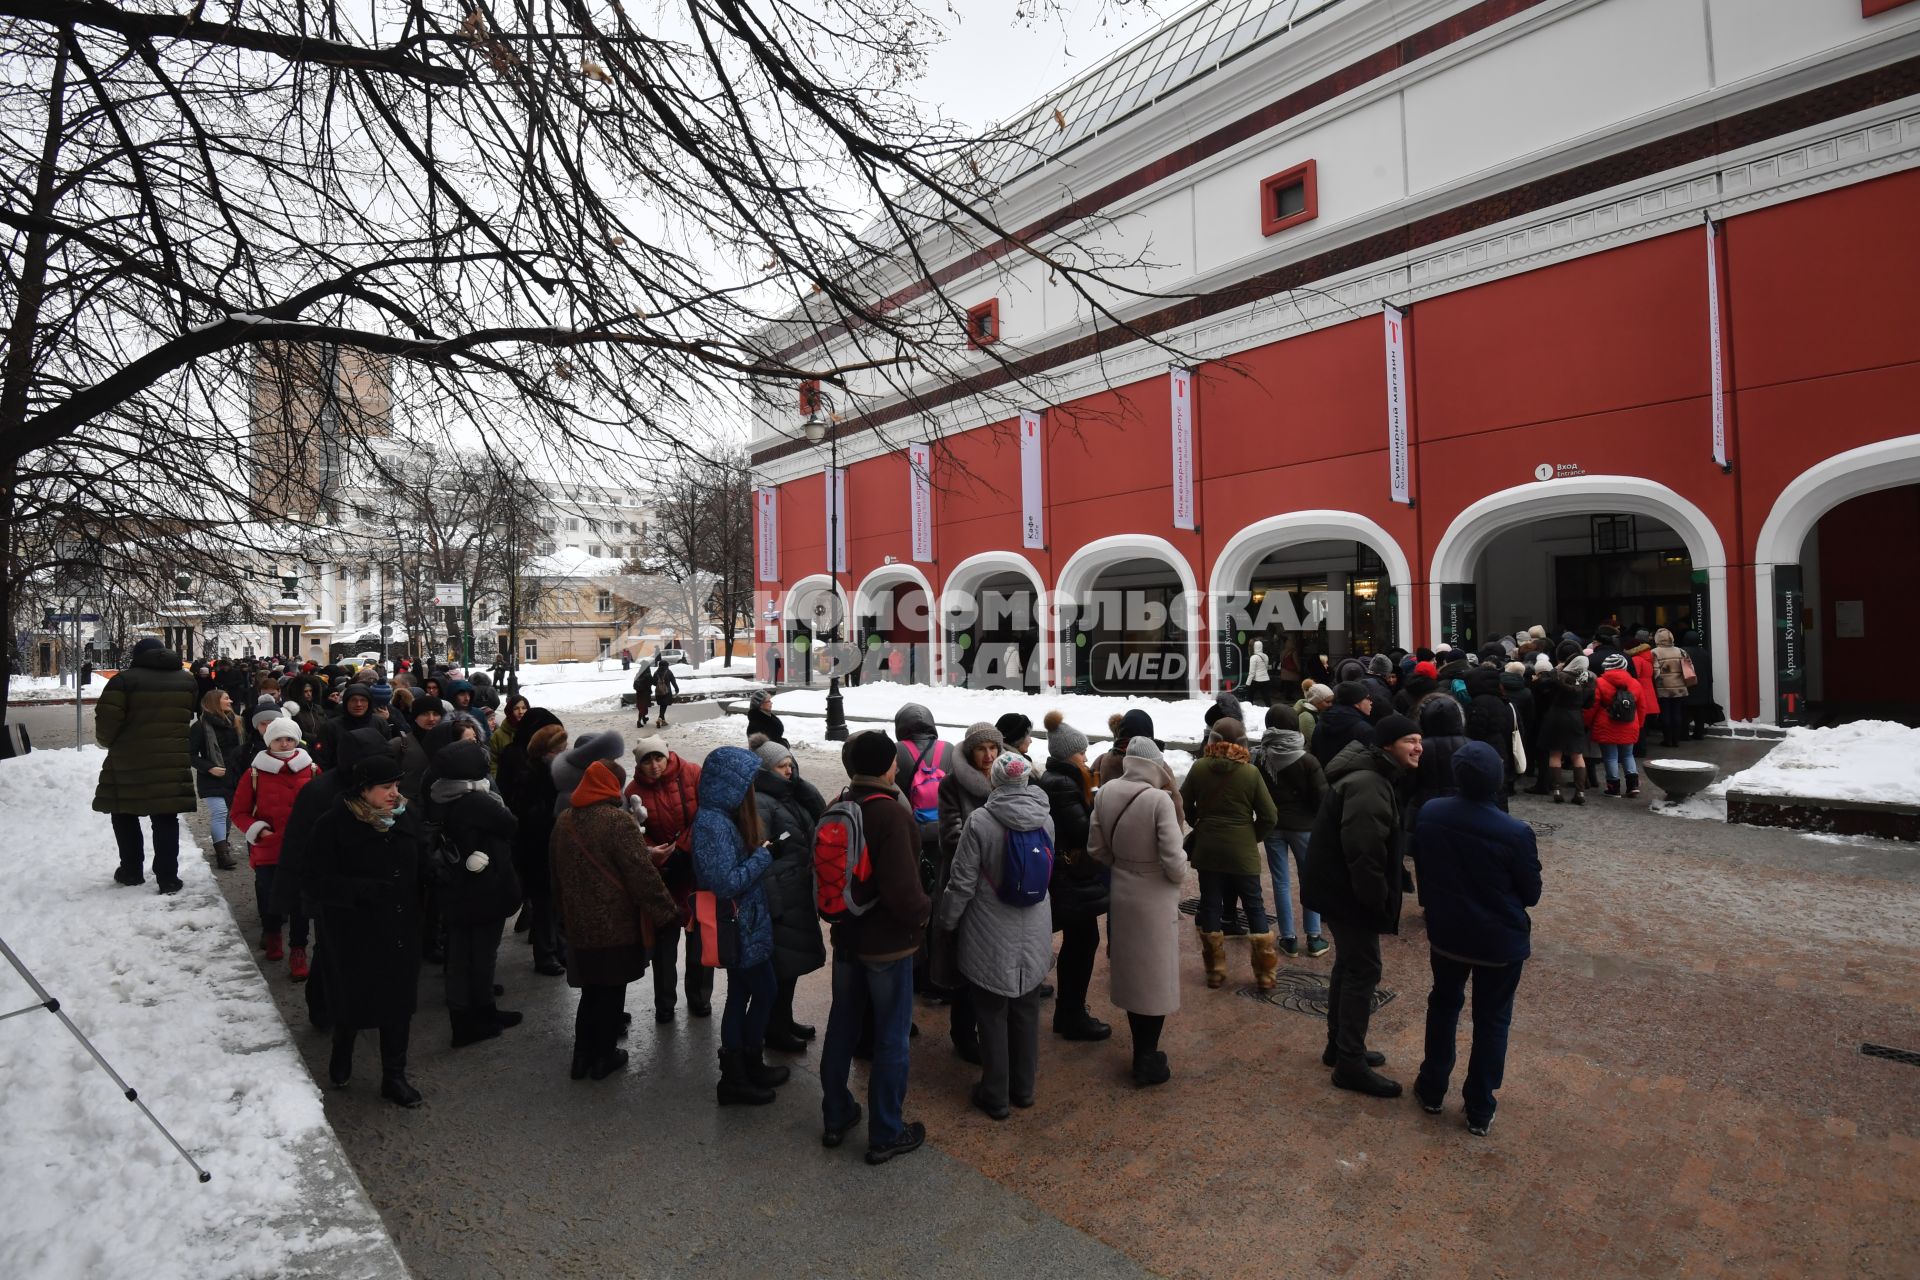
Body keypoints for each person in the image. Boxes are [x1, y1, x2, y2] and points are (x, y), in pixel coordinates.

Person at [1411, 742, 1542, 1137]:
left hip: (1448, 933)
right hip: (1498, 942)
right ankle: (1479, 1105)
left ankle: (1433, 1087)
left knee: (1444, 1005)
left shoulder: (1431, 813)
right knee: (1492, 1019)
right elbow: (1531, 893)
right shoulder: (1515, 832)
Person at [819, 730, 931, 1165]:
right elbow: (904, 892)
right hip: (887, 946)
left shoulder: (838, 806)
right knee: (891, 1036)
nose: (898, 767)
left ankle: (836, 1115)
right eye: (894, 762)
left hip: (846, 937)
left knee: (842, 1026)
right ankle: (886, 1132)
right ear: (887, 766)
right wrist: (925, 911)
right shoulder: (890, 814)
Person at [1301, 713, 1422, 1099]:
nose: (1418, 747)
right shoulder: (1369, 783)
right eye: (1409, 741)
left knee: (1350, 965)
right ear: (1388, 746)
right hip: (1348, 893)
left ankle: (1340, 1047)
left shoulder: (1373, 775)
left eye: (1419, 739)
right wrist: (1374, 902)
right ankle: (1348, 1064)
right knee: (1364, 969)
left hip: (1337, 889)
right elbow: (1364, 852)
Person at [936, 752, 1054, 1119]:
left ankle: (995, 1093)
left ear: (995, 783)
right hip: (1034, 927)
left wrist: (948, 920)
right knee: (1026, 1011)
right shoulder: (1046, 818)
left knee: (990, 1014)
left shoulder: (981, 821)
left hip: (989, 930)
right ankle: (1024, 1087)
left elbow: (963, 881)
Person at [307, 754, 427, 1107]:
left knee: (399, 1003)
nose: (395, 793)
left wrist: (432, 872)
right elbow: (315, 882)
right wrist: (361, 890)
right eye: (386, 787)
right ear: (363, 791)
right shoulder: (332, 826)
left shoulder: (406, 816)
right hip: (354, 932)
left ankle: (394, 1076)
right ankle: (342, 1050)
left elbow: (420, 855)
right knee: (354, 999)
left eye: (396, 785)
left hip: (402, 925)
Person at [549, 758, 679, 1081]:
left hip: (579, 923)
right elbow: (642, 877)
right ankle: (603, 1057)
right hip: (614, 923)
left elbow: (555, 874)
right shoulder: (617, 821)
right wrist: (666, 913)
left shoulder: (564, 820)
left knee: (591, 991)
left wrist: (563, 915)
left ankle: (581, 1058)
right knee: (610, 992)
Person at [1088, 737, 1187, 1086]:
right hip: (1155, 895)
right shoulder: (1159, 799)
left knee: (1133, 974)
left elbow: (1096, 848)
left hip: (1123, 890)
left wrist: (1123, 866)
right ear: (1156, 765)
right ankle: (1147, 1055)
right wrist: (1178, 874)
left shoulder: (1107, 792)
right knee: (1155, 977)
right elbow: (1174, 860)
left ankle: (1141, 1050)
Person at [690, 746, 786, 1105]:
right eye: (746, 783)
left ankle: (746, 1065)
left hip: (746, 925)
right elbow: (725, 883)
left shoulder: (721, 817)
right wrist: (763, 855)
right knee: (763, 992)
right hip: (738, 927)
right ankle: (735, 1073)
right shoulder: (712, 825)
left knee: (743, 994)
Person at [428, 739, 525, 1047]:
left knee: (460, 955)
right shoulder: (476, 800)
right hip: (484, 890)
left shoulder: (440, 793)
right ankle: (474, 1019)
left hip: (456, 888)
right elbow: (511, 824)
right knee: (481, 955)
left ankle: (477, 1014)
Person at [1180, 717, 1280, 990]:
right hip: (1242, 852)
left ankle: (1215, 971)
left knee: (1210, 904)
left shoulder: (1199, 768)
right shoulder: (1249, 773)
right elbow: (1270, 815)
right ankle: (1265, 975)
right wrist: (1252, 836)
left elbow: (1183, 801)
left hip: (1209, 849)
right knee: (1254, 907)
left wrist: (1198, 821)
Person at [93, 636, 198, 893]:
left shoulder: (124, 680)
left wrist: (106, 742)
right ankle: (168, 878)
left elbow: (108, 720)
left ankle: (131, 871)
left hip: (129, 759)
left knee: (124, 813)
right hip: (171, 760)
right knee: (165, 817)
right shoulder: (187, 680)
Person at [624, 736, 712, 1021]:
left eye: (658, 758)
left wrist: (682, 848)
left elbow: (706, 815)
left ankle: (699, 997)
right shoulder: (633, 791)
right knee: (665, 942)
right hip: (662, 876)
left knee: (699, 938)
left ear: (667, 755)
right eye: (646, 760)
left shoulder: (692, 773)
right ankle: (665, 1003)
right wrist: (652, 852)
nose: (654, 765)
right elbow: (633, 831)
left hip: (696, 869)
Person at [1036, 712, 1111, 1041]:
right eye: (1081, 751)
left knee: (1081, 941)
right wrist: (1099, 804)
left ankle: (1071, 1010)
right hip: (1070, 876)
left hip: (1070, 875)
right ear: (1069, 753)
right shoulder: (1063, 783)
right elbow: (1083, 830)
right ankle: (1071, 1014)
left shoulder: (1066, 779)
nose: (1085, 754)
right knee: (1082, 942)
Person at [931, 722, 1003, 1064]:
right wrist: (995, 846)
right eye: (981, 749)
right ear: (970, 751)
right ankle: (962, 1033)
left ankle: (987, 1027)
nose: (988, 756)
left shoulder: (1007, 779)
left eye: (994, 748)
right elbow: (950, 840)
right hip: (965, 884)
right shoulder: (952, 785)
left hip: (998, 887)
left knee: (991, 960)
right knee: (964, 962)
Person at [749, 739, 827, 1053]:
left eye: (791, 764)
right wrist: (774, 902)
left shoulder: (787, 794)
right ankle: (775, 1030)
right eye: (783, 766)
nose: (790, 771)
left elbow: (820, 816)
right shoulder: (761, 803)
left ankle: (784, 1020)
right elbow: (759, 854)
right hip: (781, 897)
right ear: (767, 770)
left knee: (789, 967)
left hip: (797, 891)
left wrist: (799, 783)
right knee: (780, 968)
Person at [232, 716, 318, 976]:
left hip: (302, 849)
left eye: (289, 738)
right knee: (271, 896)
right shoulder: (254, 773)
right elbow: (239, 812)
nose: (284, 743)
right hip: (269, 848)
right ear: (269, 742)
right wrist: (258, 830)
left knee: (300, 902)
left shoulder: (312, 770)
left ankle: (298, 949)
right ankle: (272, 935)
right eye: (278, 739)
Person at [1252, 705, 1328, 960]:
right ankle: (1314, 937)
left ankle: (1288, 938)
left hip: (1273, 826)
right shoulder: (1307, 759)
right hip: (1304, 827)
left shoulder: (1261, 756)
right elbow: (1321, 797)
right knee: (1311, 879)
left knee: (1281, 881)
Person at [509, 719, 571, 976]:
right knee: (545, 904)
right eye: (558, 750)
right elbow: (526, 815)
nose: (563, 754)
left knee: (557, 904)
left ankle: (558, 949)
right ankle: (546, 955)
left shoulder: (558, 773)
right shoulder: (531, 775)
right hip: (537, 850)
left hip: (554, 847)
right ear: (544, 752)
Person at [191, 689, 247, 871]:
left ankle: (222, 843)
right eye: (226, 698)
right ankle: (222, 854)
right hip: (212, 778)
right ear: (215, 702)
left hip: (235, 776)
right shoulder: (200, 727)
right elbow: (190, 755)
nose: (230, 701)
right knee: (220, 812)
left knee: (229, 812)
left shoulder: (237, 722)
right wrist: (209, 768)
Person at [1587, 653, 1647, 798]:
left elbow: (1593, 706)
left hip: (1606, 723)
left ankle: (1613, 788)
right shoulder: (1635, 683)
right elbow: (1642, 707)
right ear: (1624, 666)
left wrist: (1587, 722)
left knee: (1610, 757)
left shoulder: (1600, 682)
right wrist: (1639, 724)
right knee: (1627, 754)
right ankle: (1632, 785)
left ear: (1606, 667)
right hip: (1630, 723)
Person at [1536, 655, 1593, 805]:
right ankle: (1580, 792)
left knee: (1555, 753)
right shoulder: (1588, 680)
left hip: (1557, 715)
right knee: (1577, 755)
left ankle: (1557, 790)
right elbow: (1589, 704)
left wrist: (1555, 670)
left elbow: (1543, 686)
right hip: (1575, 717)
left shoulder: (1560, 676)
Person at [1310, 681, 1375, 767]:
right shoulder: (1364, 730)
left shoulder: (1323, 720)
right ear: (1356, 702)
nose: (1371, 702)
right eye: (1368, 698)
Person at [1650, 628, 1693, 748]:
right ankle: (1676, 740)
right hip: (1679, 687)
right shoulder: (1681, 651)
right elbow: (1690, 668)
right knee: (1677, 713)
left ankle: (1667, 739)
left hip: (1663, 688)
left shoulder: (1654, 652)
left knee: (1665, 713)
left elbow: (1655, 672)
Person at [488, 694, 530, 773]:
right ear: (510, 711)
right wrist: (498, 780)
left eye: (524, 708)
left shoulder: (533, 730)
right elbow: (493, 762)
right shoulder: (498, 735)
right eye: (516, 708)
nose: (521, 712)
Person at [651, 656, 679, 728]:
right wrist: (676, 689)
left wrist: (659, 683)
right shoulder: (668, 672)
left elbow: (653, 683)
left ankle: (663, 721)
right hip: (667, 692)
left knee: (662, 705)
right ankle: (660, 718)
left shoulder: (656, 672)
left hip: (659, 692)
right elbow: (673, 681)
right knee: (664, 705)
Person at [1244, 639, 1271, 706]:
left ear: (1254, 647)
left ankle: (1249, 709)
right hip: (1266, 679)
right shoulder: (1266, 656)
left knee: (1249, 697)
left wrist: (1247, 684)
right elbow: (1266, 668)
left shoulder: (1253, 657)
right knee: (1266, 698)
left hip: (1256, 680)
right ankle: (1271, 710)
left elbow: (1252, 673)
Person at [631, 662, 654, 729]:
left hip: (639, 692)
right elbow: (652, 682)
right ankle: (639, 721)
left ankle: (644, 718)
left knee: (642, 706)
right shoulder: (648, 674)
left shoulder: (638, 673)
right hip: (645, 693)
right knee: (643, 707)